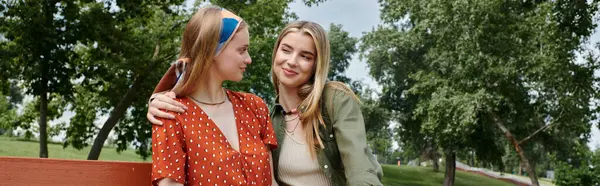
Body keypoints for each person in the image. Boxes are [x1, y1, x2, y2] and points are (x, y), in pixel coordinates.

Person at [149, 21, 383, 186]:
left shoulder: (333, 100)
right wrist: (157, 98)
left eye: (305, 56)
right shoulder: (265, 115)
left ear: (316, 65)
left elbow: (359, 168)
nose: (292, 62)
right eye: (286, 50)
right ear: (276, 53)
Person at [150, 6, 278, 186]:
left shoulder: (254, 106)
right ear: (212, 50)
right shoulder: (171, 113)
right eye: (242, 50)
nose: (248, 59)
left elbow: (271, 182)